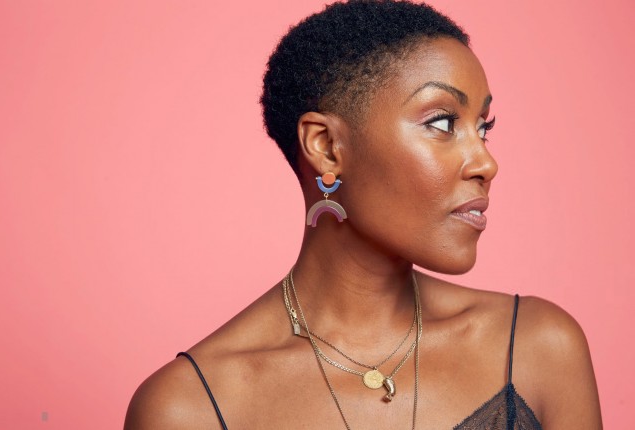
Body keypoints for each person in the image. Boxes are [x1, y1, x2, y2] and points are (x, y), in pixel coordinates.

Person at [124, 1, 602, 428]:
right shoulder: (189, 408)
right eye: (442, 123)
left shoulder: (538, 348)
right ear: (327, 147)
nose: (486, 164)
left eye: (483, 127)